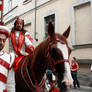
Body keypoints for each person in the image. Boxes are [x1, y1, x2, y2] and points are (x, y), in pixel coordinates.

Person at [0, 23, 15, 92]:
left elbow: (10, 84)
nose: (1, 43)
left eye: (4, 40)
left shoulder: (10, 58)